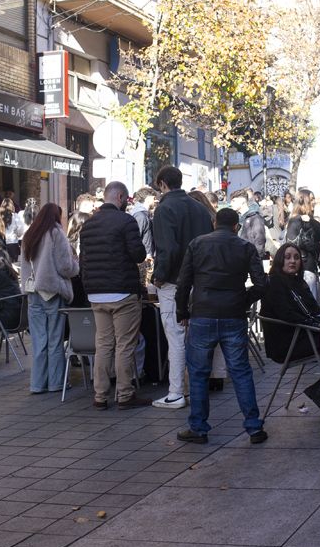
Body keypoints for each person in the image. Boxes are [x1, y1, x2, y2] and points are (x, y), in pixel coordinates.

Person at [175, 207, 268, 444]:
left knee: (198, 373)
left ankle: (198, 427)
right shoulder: (245, 247)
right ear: (236, 226)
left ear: (214, 223)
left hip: (202, 314)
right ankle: (254, 427)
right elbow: (261, 284)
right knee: (240, 372)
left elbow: (183, 282)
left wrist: (182, 311)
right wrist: (243, 300)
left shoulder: (197, 244)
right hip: (233, 315)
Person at [79, 181, 150, 410]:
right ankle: (125, 394)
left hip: (96, 294)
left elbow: (83, 261)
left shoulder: (88, 225)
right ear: (120, 197)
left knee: (103, 344)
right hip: (122, 292)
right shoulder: (126, 221)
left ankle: (100, 396)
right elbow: (139, 254)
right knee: (125, 345)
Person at [151, 166, 214, 410]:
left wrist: (159, 276)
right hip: (199, 280)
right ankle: (194, 388)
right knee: (194, 336)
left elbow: (168, 249)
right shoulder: (199, 208)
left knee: (175, 336)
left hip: (174, 281)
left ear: (163, 184)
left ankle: (176, 391)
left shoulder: (165, 209)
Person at [260, 243, 320, 413]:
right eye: (287, 257)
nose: (292, 261)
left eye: (296, 257)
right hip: (287, 342)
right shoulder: (274, 283)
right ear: (279, 260)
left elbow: (315, 311)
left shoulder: (299, 282)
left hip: (304, 335)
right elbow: (287, 314)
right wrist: (317, 327)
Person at [20, 203, 80, 393]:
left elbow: (24, 267)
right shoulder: (56, 232)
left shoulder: (29, 235)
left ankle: (37, 384)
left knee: (39, 340)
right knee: (55, 339)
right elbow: (65, 266)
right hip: (52, 292)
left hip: (33, 293)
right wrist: (76, 266)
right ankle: (55, 383)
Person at [230, 188, 268, 258]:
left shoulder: (255, 218)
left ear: (243, 201)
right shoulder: (236, 218)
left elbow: (260, 241)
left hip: (250, 262)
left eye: (233, 201)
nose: (231, 204)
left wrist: (255, 260)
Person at [129, 187, 158, 258]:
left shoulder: (143, 214)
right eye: (154, 198)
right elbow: (135, 239)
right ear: (148, 199)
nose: (155, 201)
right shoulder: (140, 216)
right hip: (144, 259)